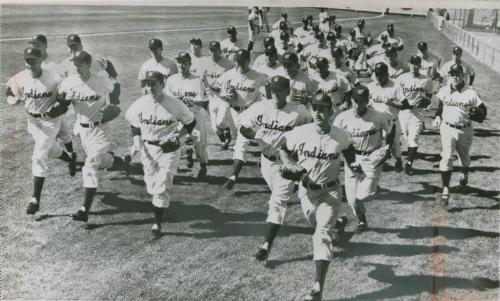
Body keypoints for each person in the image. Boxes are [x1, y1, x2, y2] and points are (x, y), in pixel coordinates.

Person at [279, 92, 356, 301]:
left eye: (323, 108)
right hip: (306, 191)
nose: (319, 112)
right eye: (315, 108)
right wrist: (287, 163)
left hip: (330, 192)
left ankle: (317, 287)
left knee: (320, 235)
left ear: (331, 111)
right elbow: (284, 149)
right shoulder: (300, 132)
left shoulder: (341, 134)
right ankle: (338, 223)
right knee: (317, 224)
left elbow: (349, 151)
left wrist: (355, 165)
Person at [238, 75, 310, 264]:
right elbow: (243, 128)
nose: (277, 94)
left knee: (277, 202)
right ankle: (336, 221)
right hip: (266, 161)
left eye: (281, 90)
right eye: (274, 90)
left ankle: (265, 246)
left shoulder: (298, 112)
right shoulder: (261, 107)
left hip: (287, 162)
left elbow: (311, 132)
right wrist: (258, 134)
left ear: (288, 91)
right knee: (305, 201)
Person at [6, 47, 77, 215]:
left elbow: (66, 97)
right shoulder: (20, 77)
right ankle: (70, 158)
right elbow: (9, 90)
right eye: (27, 60)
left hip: (50, 121)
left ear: (40, 60)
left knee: (39, 154)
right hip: (32, 121)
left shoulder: (53, 76)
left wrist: (58, 107)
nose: (30, 63)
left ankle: (35, 199)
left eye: (33, 60)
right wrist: (12, 99)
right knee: (50, 148)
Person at [57, 51, 125, 223]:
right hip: (83, 131)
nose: (76, 66)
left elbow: (115, 88)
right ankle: (113, 160)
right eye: (74, 63)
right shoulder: (69, 82)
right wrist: (58, 106)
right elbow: (61, 100)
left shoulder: (102, 80)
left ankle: (84, 210)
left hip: (101, 129)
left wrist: (114, 105)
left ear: (88, 64)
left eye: (79, 63)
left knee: (90, 164)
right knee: (99, 161)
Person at [125, 71, 196, 235]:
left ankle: (157, 224)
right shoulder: (139, 104)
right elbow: (134, 124)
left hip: (169, 150)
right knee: (151, 185)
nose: (149, 87)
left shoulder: (175, 104)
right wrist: (136, 139)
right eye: (147, 83)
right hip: (148, 149)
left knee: (162, 184)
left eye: (153, 83)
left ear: (162, 84)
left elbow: (191, 122)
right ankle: (160, 205)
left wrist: (177, 136)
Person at [334, 85, 395, 233]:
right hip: (352, 156)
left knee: (363, 195)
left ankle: (372, 188)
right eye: (355, 100)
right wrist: (348, 160)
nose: (357, 104)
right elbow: (335, 138)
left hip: (372, 157)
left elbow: (391, 130)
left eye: (361, 101)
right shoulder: (342, 118)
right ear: (351, 99)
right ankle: (362, 220)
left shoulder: (378, 116)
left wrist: (387, 148)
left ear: (367, 101)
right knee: (352, 200)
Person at [433, 64, 487, 205]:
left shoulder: (471, 92)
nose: (455, 77)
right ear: (449, 76)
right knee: (447, 156)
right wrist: (438, 116)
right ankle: (446, 189)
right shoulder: (444, 90)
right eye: (452, 74)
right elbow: (440, 106)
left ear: (463, 75)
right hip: (447, 128)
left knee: (464, 156)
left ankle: (465, 172)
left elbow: (483, 111)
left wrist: (479, 115)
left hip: (465, 129)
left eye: (457, 74)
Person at [215, 49, 267, 189]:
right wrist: (224, 95)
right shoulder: (229, 74)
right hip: (233, 111)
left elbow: (269, 84)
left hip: (249, 113)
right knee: (238, 138)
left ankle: (233, 176)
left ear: (248, 61)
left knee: (241, 143)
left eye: (244, 61)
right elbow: (215, 87)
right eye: (238, 61)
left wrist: (263, 101)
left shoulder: (257, 76)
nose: (241, 64)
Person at [28, 34, 75, 160]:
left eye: (37, 44)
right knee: (64, 132)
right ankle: (71, 154)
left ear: (45, 46)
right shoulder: (32, 61)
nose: (34, 47)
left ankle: (69, 156)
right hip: (40, 106)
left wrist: (59, 103)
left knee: (47, 143)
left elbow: (64, 87)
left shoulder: (52, 66)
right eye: (33, 44)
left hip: (50, 108)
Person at [165, 52, 210, 178]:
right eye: (179, 62)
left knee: (200, 140)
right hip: (178, 117)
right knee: (174, 139)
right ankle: (183, 154)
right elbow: (167, 100)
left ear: (190, 64)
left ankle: (203, 166)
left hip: (194, 114)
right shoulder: (171, 80)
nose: (182, 64)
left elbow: (204, 102)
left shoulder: (197, 80)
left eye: (184, 62)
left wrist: (193, 101)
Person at [397, 55, 433, 175]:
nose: (414, 66)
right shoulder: (401, 78)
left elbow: (429, 95)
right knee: (404, 136)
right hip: (403, 112)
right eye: (412, 63)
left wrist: (425, 101)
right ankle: (400, 159)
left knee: (413, 138)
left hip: (417, 113)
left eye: (417, 63)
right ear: (409, 64)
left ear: (420, 65)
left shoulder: (426, 80)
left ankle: (409, 164)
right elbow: (396, 94)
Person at [367, 62, 406, 171]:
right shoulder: (371, 86)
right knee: (374, 143)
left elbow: (404, 105)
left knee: (394, 148)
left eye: (381, 74)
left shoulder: (395, 86)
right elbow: (365, 101)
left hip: (391, 121)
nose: (378, 77)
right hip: (376, 121)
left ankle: (398, 159)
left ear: (387, 74)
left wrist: (391, 102)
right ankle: (376, 162)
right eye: (376, 74)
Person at [198, 41, 235, 150]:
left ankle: (226, 128)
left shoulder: (229, 63)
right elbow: (201, 78)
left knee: (220, 121)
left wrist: (229, 90)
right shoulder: (205, 63)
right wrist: (206, 87)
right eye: (212, 50)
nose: (214, 52)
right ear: (210, 51)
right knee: (214, 127)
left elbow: (235, 78)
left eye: (216, 50)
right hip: (211, 96)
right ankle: (223, 141)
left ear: (220, 50)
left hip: (224, 96)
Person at [310, 57, 352, 121]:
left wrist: (346, 102)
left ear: (327, 66)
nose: (320, 69)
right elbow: (311, 96)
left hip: (336, 109)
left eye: (322, 66)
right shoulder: (313, 79)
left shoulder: (338, 77)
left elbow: (348, 90)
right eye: (318, 66)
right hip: (321, 111)